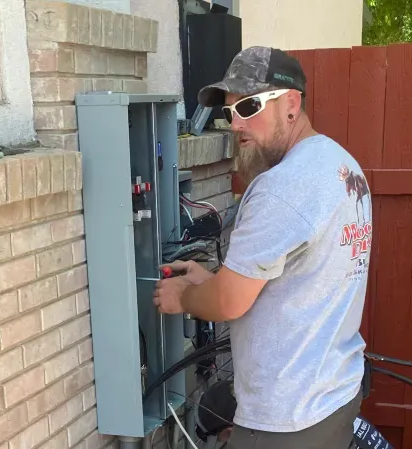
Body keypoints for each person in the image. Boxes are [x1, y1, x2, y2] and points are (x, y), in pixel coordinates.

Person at [152, 46, 374, 449]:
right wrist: (214, 281)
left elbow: (230, 303)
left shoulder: (281, 188)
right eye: (230, 112)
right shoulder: (343, 166)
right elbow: (292, 278)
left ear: (291, 104)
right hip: (335, 393)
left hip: (287, 418)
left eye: (250, 106)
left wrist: (185, 296)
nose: (236, 123)